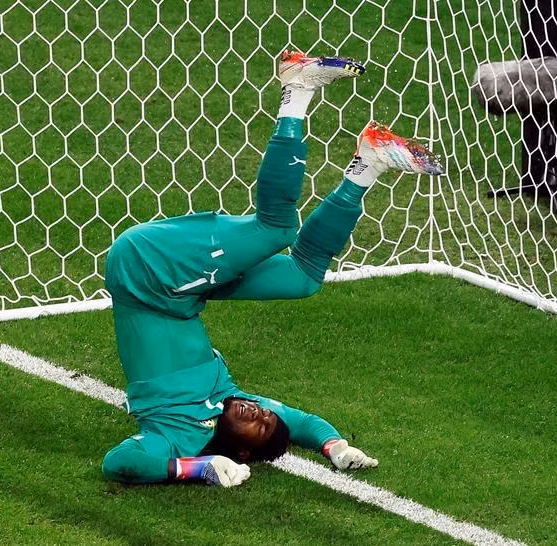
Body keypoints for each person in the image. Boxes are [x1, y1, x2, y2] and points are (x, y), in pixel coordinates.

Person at [101, 51, 444, 487]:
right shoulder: (232, 400)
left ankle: (298, 88)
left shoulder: (173, 439)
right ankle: (367, 164)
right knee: (303, 277)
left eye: (258, 424)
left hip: (147, 273)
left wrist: (195, 469)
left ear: (241, 451)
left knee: (276, 228)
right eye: (263, 414)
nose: (257, 411)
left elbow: (118, 463)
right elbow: (300, 422)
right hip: (182, 292)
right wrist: (334, 447)